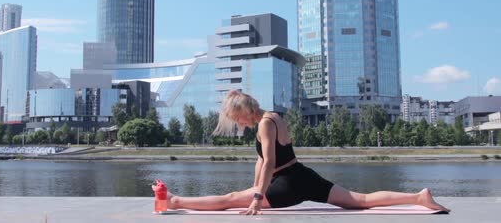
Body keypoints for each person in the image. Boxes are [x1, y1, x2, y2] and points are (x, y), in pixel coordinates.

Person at [165, 90, 450, 215]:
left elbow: (269, 164)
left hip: (286, 184)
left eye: (237, 118)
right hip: (303, 176)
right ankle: (418, 197)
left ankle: (175, 201)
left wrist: (255, 197)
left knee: (229, 200)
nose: (238, 123)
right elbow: (262, 160)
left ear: (245, 111)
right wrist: (256, 188)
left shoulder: (264, 125)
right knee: (360, 200)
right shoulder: (274, 116)